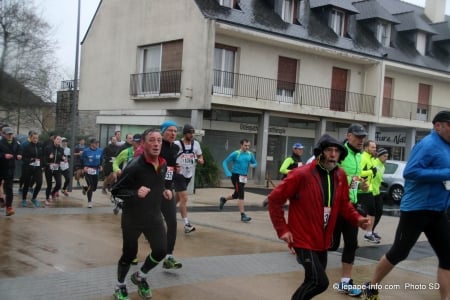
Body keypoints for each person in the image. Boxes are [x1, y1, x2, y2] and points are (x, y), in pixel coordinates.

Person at [268, 133, 369, 300]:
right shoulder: (301, 174)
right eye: (329, 150)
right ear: (320, 152)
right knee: (319, 282)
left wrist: (357, 218)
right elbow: (274, 200)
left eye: (337, 151)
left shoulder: (340, 175)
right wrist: (282, 229)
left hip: (322, 240)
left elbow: (344, 204)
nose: (333, 154)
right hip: (302, 238)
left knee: (311, 281)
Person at [362, 111, 450, 300]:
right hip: (416, 210)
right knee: (399, 253)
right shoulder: (427, 144)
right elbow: (410, 172)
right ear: (438, 126)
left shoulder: (447, 146)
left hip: (438, 210)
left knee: (448, 257)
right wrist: (445, 173)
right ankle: (373, 284)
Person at [111, 129, 172, 300]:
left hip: (153, 216)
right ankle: (120, 285)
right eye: (152, 140)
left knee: (160, 251)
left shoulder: (163, 163)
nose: (156, 144)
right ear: (144, 144)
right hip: (133, 217)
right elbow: (115, 191)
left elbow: (161, 183)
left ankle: (140, 276)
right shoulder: (134, 166)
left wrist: (166, 191)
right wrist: (135, 193)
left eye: (159, 140)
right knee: (130, 254)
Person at [329, 123, 368, 297]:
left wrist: (362, 186)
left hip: (351, 206)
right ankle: (309, 262)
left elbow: (353, 181)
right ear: (349, 135)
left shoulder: (360, 157)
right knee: (331, 244)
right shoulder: (338, 152)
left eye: (363, 137)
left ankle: (345, 282)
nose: (361, 140)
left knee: (352, 244)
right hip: (335, 206)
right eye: (358, 136)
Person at [159, 120, 182, 269]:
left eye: (175, 131)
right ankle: (131, 252)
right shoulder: (157, 146)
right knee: (145, 223)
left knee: (172, 223)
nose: (173, 133)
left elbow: (170, 166)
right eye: (170, 130)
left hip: (168, 190)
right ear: (163, 132)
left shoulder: (175, 148)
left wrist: (175, 169)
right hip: (153, 190)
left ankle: (168, 256)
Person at [173, 124, 204, 233]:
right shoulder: (177, 144)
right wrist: (173, 165)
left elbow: (200, 156)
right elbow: (168, 156)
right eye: (189, 133)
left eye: (193, 133)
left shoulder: (196, 144)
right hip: (178, 174)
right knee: (184, 198)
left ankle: (163, 212)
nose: (192, 135)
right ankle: (186, 224)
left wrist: (200, 160)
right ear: (185, 133)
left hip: (188, 174)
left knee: (176, 200)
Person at [219, 138, 257, 222]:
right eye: (245, 145)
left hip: (243, 177)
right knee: (241, 193)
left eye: (248, 146)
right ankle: (243, 215)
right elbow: (225, 162)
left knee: (236, 195)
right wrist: (227, 172)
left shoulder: (250, 154)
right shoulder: (236, 153)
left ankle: (223, 199)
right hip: (235, 176)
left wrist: (253, 165)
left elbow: (255, 163)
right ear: (241, 145)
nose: (247, 147)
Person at [359, 140, 380, 244]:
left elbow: (372, 174)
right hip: (362, 189)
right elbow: (359, 172)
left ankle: (369, 233)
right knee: (370, 211)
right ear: (366, 147)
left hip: (369, 189)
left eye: (375, 147)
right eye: (372, 147)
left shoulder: (371, 158)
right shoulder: (363, 157)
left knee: (372, 211)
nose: (374, 149)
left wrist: (373, 173)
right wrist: (371, 171)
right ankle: (368, 234)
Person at [0, 127, 22, 216]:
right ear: (3, 134)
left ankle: (9, 207)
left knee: (9, 189)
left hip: (10, 169)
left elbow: (19, 151)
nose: (10, 136)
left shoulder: (16, 142)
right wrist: (4, 155)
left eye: (11, 134)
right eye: (8, 134)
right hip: (0, 168)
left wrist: (19, 155)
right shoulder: (0, 142)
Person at [21, 131, 43, 208]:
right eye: (34, 138)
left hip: (37, 167)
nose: (35, 140)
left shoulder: (40, 146)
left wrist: (42, 163)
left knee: (39, 183)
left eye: (37, 138)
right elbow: (23, 157)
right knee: (26, 184)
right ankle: (24, 199)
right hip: (28, 167)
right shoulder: (27, 146)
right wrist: (30, 160)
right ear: (30, 138)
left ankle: (34, 198)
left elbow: (42, 156)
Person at [80, 138, 103, 208]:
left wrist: (101, 165)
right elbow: (81, 159)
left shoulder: (100, 150)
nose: (97, 144)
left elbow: (101, 159)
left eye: (97, 143)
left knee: (94, 188)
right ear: (91, 144)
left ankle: (85, 188)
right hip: (88, 169)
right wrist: (83, 167)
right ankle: (89, 202)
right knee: (90, 185)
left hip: (96, 170)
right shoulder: (86, 151)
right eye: (95, 143)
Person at [371, 148, 388, 238]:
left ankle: (371, 230)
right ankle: (369, 232)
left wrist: (382, 182)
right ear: (380, 156)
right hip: (369, 191)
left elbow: (378, 178)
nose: (386, 158)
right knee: (369, 212)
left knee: (379, 211)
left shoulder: (383, 167)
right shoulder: (374, 162)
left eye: (387, 156)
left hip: (377, 192)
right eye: (384, 156)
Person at [43, 135, 65, 206]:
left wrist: (64, 159)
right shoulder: (48, 148)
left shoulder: (61, 149)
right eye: (58, 139)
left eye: (60, 140)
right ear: (54, 140)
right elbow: (44, 158)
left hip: (57, 168)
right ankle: (47, 198)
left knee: (59, 184)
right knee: (49, 185)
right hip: (49, 168)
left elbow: (61, 157)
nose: (59, 141)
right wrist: (48, 161)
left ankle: (53, 193)